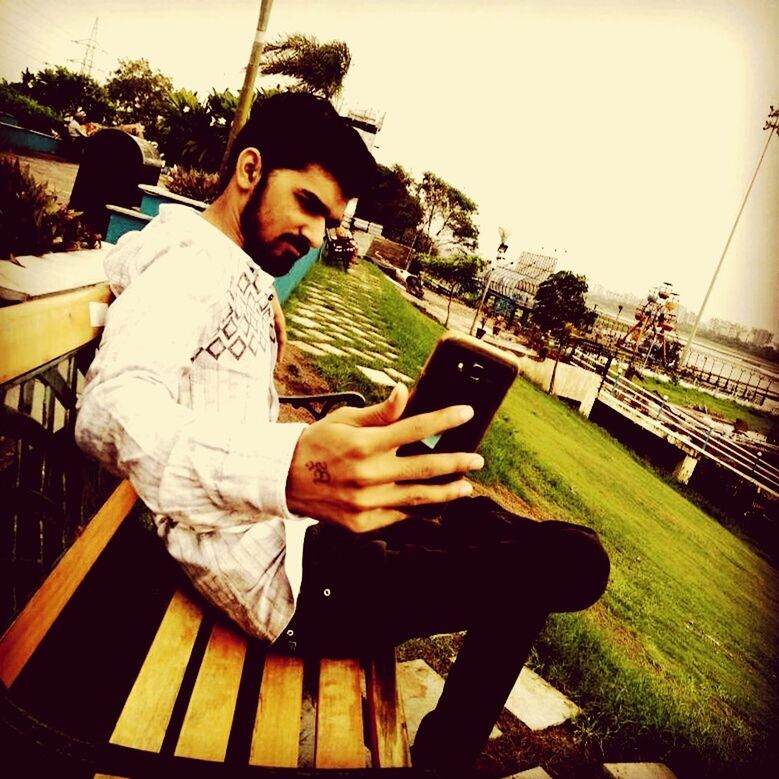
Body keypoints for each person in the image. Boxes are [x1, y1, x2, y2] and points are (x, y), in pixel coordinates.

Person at [75, 92, 609, 769]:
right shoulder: (188, 265)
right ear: (248, 170)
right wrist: (287, 467)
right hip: (283, 584)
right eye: (309, 205)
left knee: (481, 517)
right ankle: (446, 755)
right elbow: (109, 411)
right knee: (564, 561)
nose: (320, 235)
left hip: (293, 535)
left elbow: (215, 409)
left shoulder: (226, 262)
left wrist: (320, 432)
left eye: (331, 221)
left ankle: (447, 747)